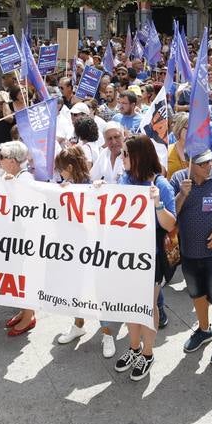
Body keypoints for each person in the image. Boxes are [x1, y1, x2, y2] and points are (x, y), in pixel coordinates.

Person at [111, 136, 177, 382]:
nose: (121, 157)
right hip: (127, 255)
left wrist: (158, 204)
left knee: (147, 306)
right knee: (130, 304)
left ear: (139, 156)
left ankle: (147, 353)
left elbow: (170, 224)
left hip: (151, 257)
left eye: (126, 153)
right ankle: (134, 347)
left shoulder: (161, 184)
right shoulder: (124, 179)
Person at [50, 145, 124, 357]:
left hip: (94, 249)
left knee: (99, 292)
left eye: (60, 169)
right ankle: (78, 325)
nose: (59, 173)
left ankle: (107, 334)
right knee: (75, 289)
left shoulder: (93, 185)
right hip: (73, 249)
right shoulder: (66, 187)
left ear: (69, 168)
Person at [171, 149, 212, 366]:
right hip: (189, 253)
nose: (208, 166)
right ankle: (203, 329)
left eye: (209, 161)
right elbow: (170, 215)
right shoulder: (178, 180)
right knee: (197, 294)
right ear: (189, 164)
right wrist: (182, 194)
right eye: (202, 163)